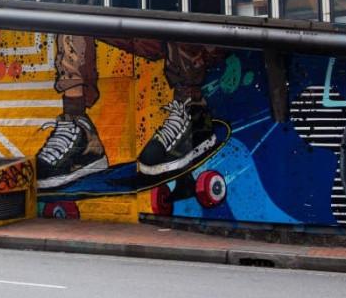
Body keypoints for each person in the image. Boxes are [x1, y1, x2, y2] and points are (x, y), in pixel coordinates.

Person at [36, 35, 223, 188]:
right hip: (141, 27)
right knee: (75, 20)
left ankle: (193, 109)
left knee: (180, 12)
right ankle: (80, 131)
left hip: (205, 36)